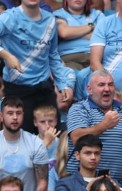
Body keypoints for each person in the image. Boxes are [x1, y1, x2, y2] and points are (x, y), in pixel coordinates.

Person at [0, 0, 75, 133]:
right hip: (18, 89)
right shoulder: (8, 17)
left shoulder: (50, 19)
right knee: (23, 139)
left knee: (53, 137)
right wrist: (6, 55)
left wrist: (62, 83)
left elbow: (53, 55)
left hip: (44, 88)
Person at [66, 70, 122, 183]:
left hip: (114, 184)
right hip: (81, 182)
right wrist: (103, 126)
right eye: (101, 85)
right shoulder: (79, 109)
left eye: (110, 84)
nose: (107, 89)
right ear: (89, 89)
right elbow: (77, 138)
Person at [0, 98, 49, 191]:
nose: (15, 117)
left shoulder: (35, 143)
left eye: (18, 113)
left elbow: (42, 182)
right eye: (10, 113)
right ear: (1, 116)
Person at [54, 0, 106, 71]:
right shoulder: (59, 14)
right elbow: (64, 33)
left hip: (96, 57)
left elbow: (104, 35)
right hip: (70, 58)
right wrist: (91, 27)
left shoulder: (97, 14)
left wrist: (75, 33)